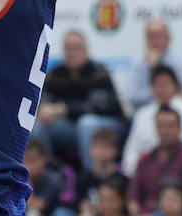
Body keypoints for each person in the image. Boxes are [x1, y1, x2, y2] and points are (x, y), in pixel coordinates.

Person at [33, 31, 126, 173]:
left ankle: (90, 178)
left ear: (86, 49)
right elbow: (44, 102)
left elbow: (95, 106)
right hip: (70, 126)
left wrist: (63, 110)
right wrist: (46, 112)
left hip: (107, 125)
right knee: (39, 127)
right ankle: (47, 178)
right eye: (68, 48)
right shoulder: (56, 74)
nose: (72, 52)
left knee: (86, 123)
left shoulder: (98, 72)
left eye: (76, 48)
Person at [122, 67, 182, 177]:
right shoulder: (142, 114)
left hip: (178, 173)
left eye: (165, 84)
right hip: (144, 173)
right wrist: (132, 171)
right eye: (157, 85)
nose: (161, 89)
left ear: (176, 86)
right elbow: (132, 150)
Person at [128, 107, 182, 216]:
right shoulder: (145, 159)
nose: (165, 132)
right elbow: (133, 196)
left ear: (180, 128)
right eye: (161, 126)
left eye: (170, 126)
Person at [126, 22, 182, 111]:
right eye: (150, 37)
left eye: (158, 36)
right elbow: (131, 96)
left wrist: (155, 68)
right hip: (144, 112)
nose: (154, 42)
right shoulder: (138, 62)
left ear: (168, 38)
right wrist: (150, 69)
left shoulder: (181, 62)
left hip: (174, 112)